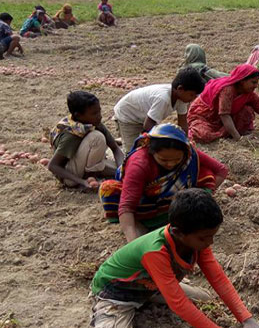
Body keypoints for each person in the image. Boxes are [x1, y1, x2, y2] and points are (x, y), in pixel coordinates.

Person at [91, 188, 259, 328]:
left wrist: (246, 318)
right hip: (117, 295)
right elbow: (178, 304)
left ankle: (154, 295)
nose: (210, 243)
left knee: (204, 297)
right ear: (178, 232)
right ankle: (102, 314)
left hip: (150, 287)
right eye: (205, 238)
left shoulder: (197, 241)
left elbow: (218, 279)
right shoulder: (155, 251)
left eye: (212, 236)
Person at [99, 124, 229, 242]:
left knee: (205, 174)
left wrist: (199, 200)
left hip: (175, 201)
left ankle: (182, 215)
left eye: (177, 159)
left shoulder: (189, 152)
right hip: (145, 203)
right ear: (151, 151)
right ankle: (146, 223)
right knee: (109, 190)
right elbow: (127, 206)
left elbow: (221, 170)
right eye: (163, 159)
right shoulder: (139, 164)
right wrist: (133, 242)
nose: (171, 164)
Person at [187, 64, 259, 143]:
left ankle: (228, 132)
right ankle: (230, 133)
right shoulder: (228, 89)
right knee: (203, 134)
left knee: (247, 111)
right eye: (253, 82)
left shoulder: (249, 93)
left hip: (222, 119)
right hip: (204, 116)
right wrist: (239, 139)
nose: (256, 86)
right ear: (242, 81)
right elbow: (224, 115)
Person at [113, 67, 204, 152]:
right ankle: (123, 141)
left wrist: (185, 141)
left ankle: (126, 139)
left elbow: (183, 124)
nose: (193, 99)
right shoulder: (163, 99)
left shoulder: (182, 99)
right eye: (192, 95)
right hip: (127, 116)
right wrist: (165, 141)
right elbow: (148, 125)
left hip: (143, 115)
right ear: (180, 89)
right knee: (133, 151)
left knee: (145, 142)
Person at [48, 91, 125, 190]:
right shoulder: (71, 134)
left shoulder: (92, 123)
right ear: (79, 115)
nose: (99, 116)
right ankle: (89, 179)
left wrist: (122, 170)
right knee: (97, 137)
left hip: (89, 165)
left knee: (126, 171)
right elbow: (53, 166)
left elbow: (115, 148)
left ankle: (93, 175)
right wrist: (82, 182)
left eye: (99, 111)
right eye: (94, 113)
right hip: (71, 175)